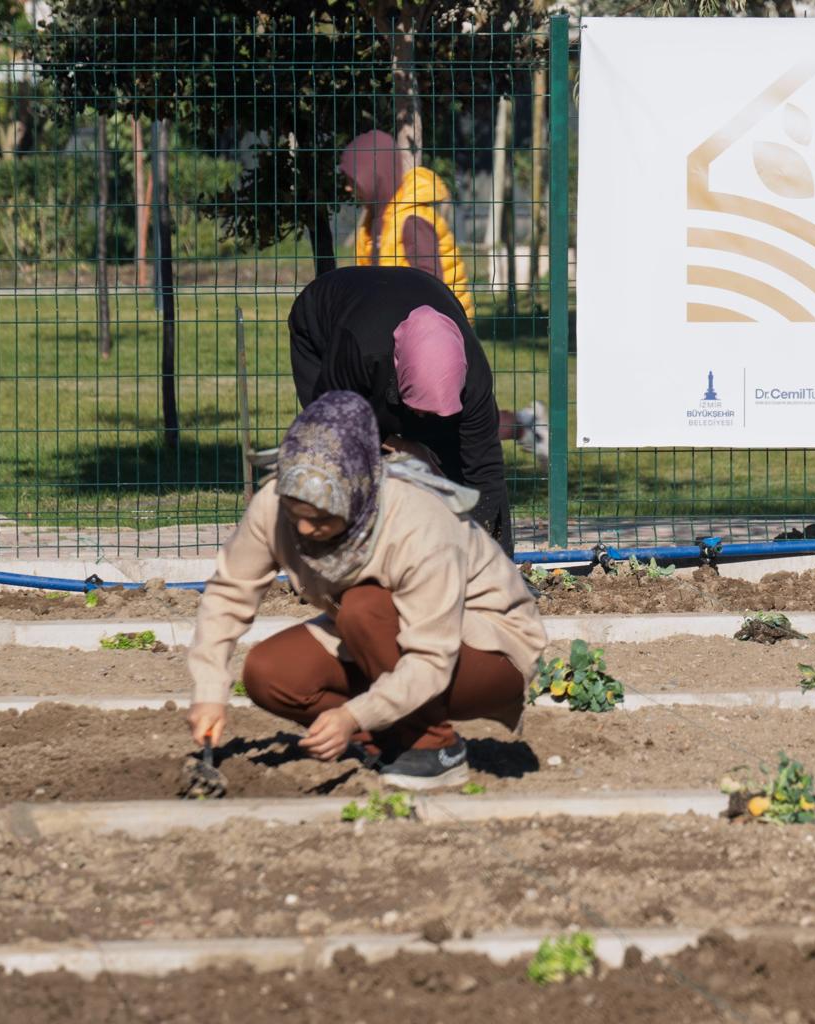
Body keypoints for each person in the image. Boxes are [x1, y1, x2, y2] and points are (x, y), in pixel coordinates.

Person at [187, 392, 547, 789]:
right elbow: (228, 593)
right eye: (295, 514)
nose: (304, 529)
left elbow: (431, 658)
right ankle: (385, 742)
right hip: (382, 637)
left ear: (356, 493)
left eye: (321, 517)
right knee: (271, 673)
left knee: (363, 606)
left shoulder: (417, 522)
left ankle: (434, 750)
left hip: (486, 649)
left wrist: (353, 715)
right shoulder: (274, 508)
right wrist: (208, 691)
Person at [288, 265, 518, 555]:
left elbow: (485, 470)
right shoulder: (358, 349)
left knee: (459, 451)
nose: (425, 419)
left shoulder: (474, 381)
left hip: (417, 299)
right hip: (327, 321)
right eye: (422, 409)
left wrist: (495, 561)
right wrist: (402, 446)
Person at [342, 130, 476, 321]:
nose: (348, 188)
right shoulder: (376, 220)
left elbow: (432, 289)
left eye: (353, 181)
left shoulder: (412, 220)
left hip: (435, 331)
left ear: (374, 176)